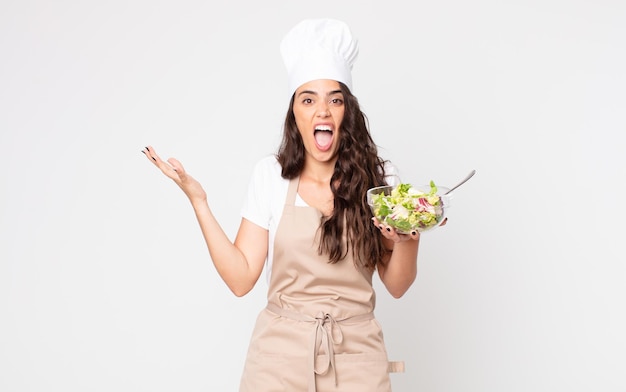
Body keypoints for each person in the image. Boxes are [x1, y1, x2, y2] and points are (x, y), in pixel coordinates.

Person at [143, 18, 441, 392]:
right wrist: (199, 202)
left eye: (335, 99)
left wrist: (411, 232)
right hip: (277, 362)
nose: (322, 111)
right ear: (294, 113)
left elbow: (396, 285)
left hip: (357, 359)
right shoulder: (270, 175)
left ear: (347, 110)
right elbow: (240, 279)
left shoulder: (380, 178)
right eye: (308, 99)